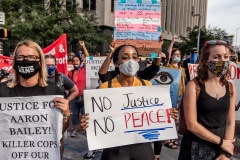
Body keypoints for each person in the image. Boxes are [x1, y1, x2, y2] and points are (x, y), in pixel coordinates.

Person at [81, 44, 178, 160]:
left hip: (142, 146)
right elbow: (96, 121)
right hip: (115, 149)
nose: (130, 61)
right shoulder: (105, 88)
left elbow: (156, 117)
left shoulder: (147, 86)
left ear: (138, 61)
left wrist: (169, 115)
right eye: (125, 57)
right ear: (116, 63)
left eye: (134, 57)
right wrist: (87, 123)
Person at [0, 39, 70, 159]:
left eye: (31, 57)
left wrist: (66, 114)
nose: (26, 60)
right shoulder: (2, 91)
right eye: (21, 57)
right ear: (15, 61)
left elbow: (58, 133)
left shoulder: (54, 91)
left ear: (40, 61)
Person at [178, 40, 236, 160]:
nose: (222, 61)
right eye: (216, 57)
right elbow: (192, 125)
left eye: (226, 57)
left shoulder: (230, 87)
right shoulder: (194, 86)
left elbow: (230, 122)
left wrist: (226, 153)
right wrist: (221, 142)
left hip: (221, 149)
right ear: (206, 60)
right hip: (195, 148)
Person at [44, 54, 79, 157]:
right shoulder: (37, 78)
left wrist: (66, 101)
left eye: (52, 65)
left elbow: (75, 91)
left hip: (60, 113)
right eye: (47, 65)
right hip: (43, 114)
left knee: (59, 138)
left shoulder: (61, 78)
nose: (50, 67)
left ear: (56, 65)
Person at [68, 40, 89, 137]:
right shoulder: (70, 72)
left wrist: (83, 46)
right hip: (74, 97)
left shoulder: (84, 69)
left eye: (77, 61)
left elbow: (88, 58)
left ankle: (87, 131)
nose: (75, 63)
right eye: (73, 61)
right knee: (74, 115)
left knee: (85, 114)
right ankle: (76, 130)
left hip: (84, 97)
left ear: (80, 61)